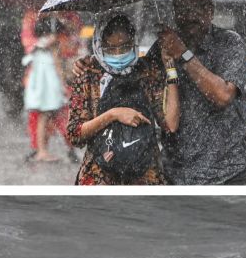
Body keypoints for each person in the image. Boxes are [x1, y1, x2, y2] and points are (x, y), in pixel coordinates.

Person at [66, 11, 180, 185]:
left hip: (145, 175)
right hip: (100, 178)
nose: (119, 54)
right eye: (111, 48)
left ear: (134, 43)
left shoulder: (147, 72)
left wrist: (170, 68)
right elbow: (75, 134)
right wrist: (113, 115)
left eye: (125, 47)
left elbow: (170, 125)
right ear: (98, 44)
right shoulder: (88, 74)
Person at [154, 0, 246, 184]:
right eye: (182, 8)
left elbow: (222, 95)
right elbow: (133, 81)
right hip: (176, 175)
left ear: (211, 10)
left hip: (226, 174)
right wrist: (91, 65)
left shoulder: (229, 43)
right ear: (174, 12)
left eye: (198, 7)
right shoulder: (163, 47)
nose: (190, 15)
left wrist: (183, 54)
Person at [23, 18, 69, 162]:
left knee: (44, 118)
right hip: (49, 88)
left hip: (39, 88)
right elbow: (57, 66)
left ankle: (40, 149)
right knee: (48, 117)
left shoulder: (37, 45)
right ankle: (43, 151)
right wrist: (63, 84)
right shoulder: (52, 44)